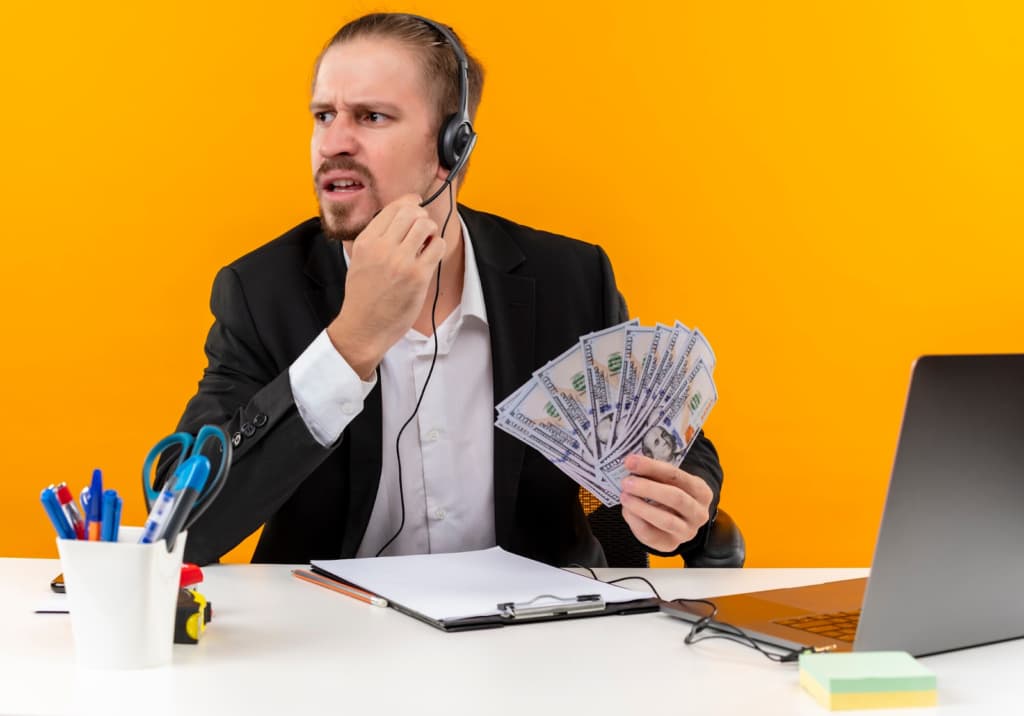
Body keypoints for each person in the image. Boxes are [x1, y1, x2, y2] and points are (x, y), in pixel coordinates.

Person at [167, 12, 724, 567]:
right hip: (336, 637)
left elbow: (676, 446)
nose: (334, 141)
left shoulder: (569, 279)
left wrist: (676, 506)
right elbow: (183, 526)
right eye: (323, 115)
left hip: (535, 632)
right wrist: (348, 346)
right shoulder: (263, 293)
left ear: (451, 147)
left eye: (372, 116)